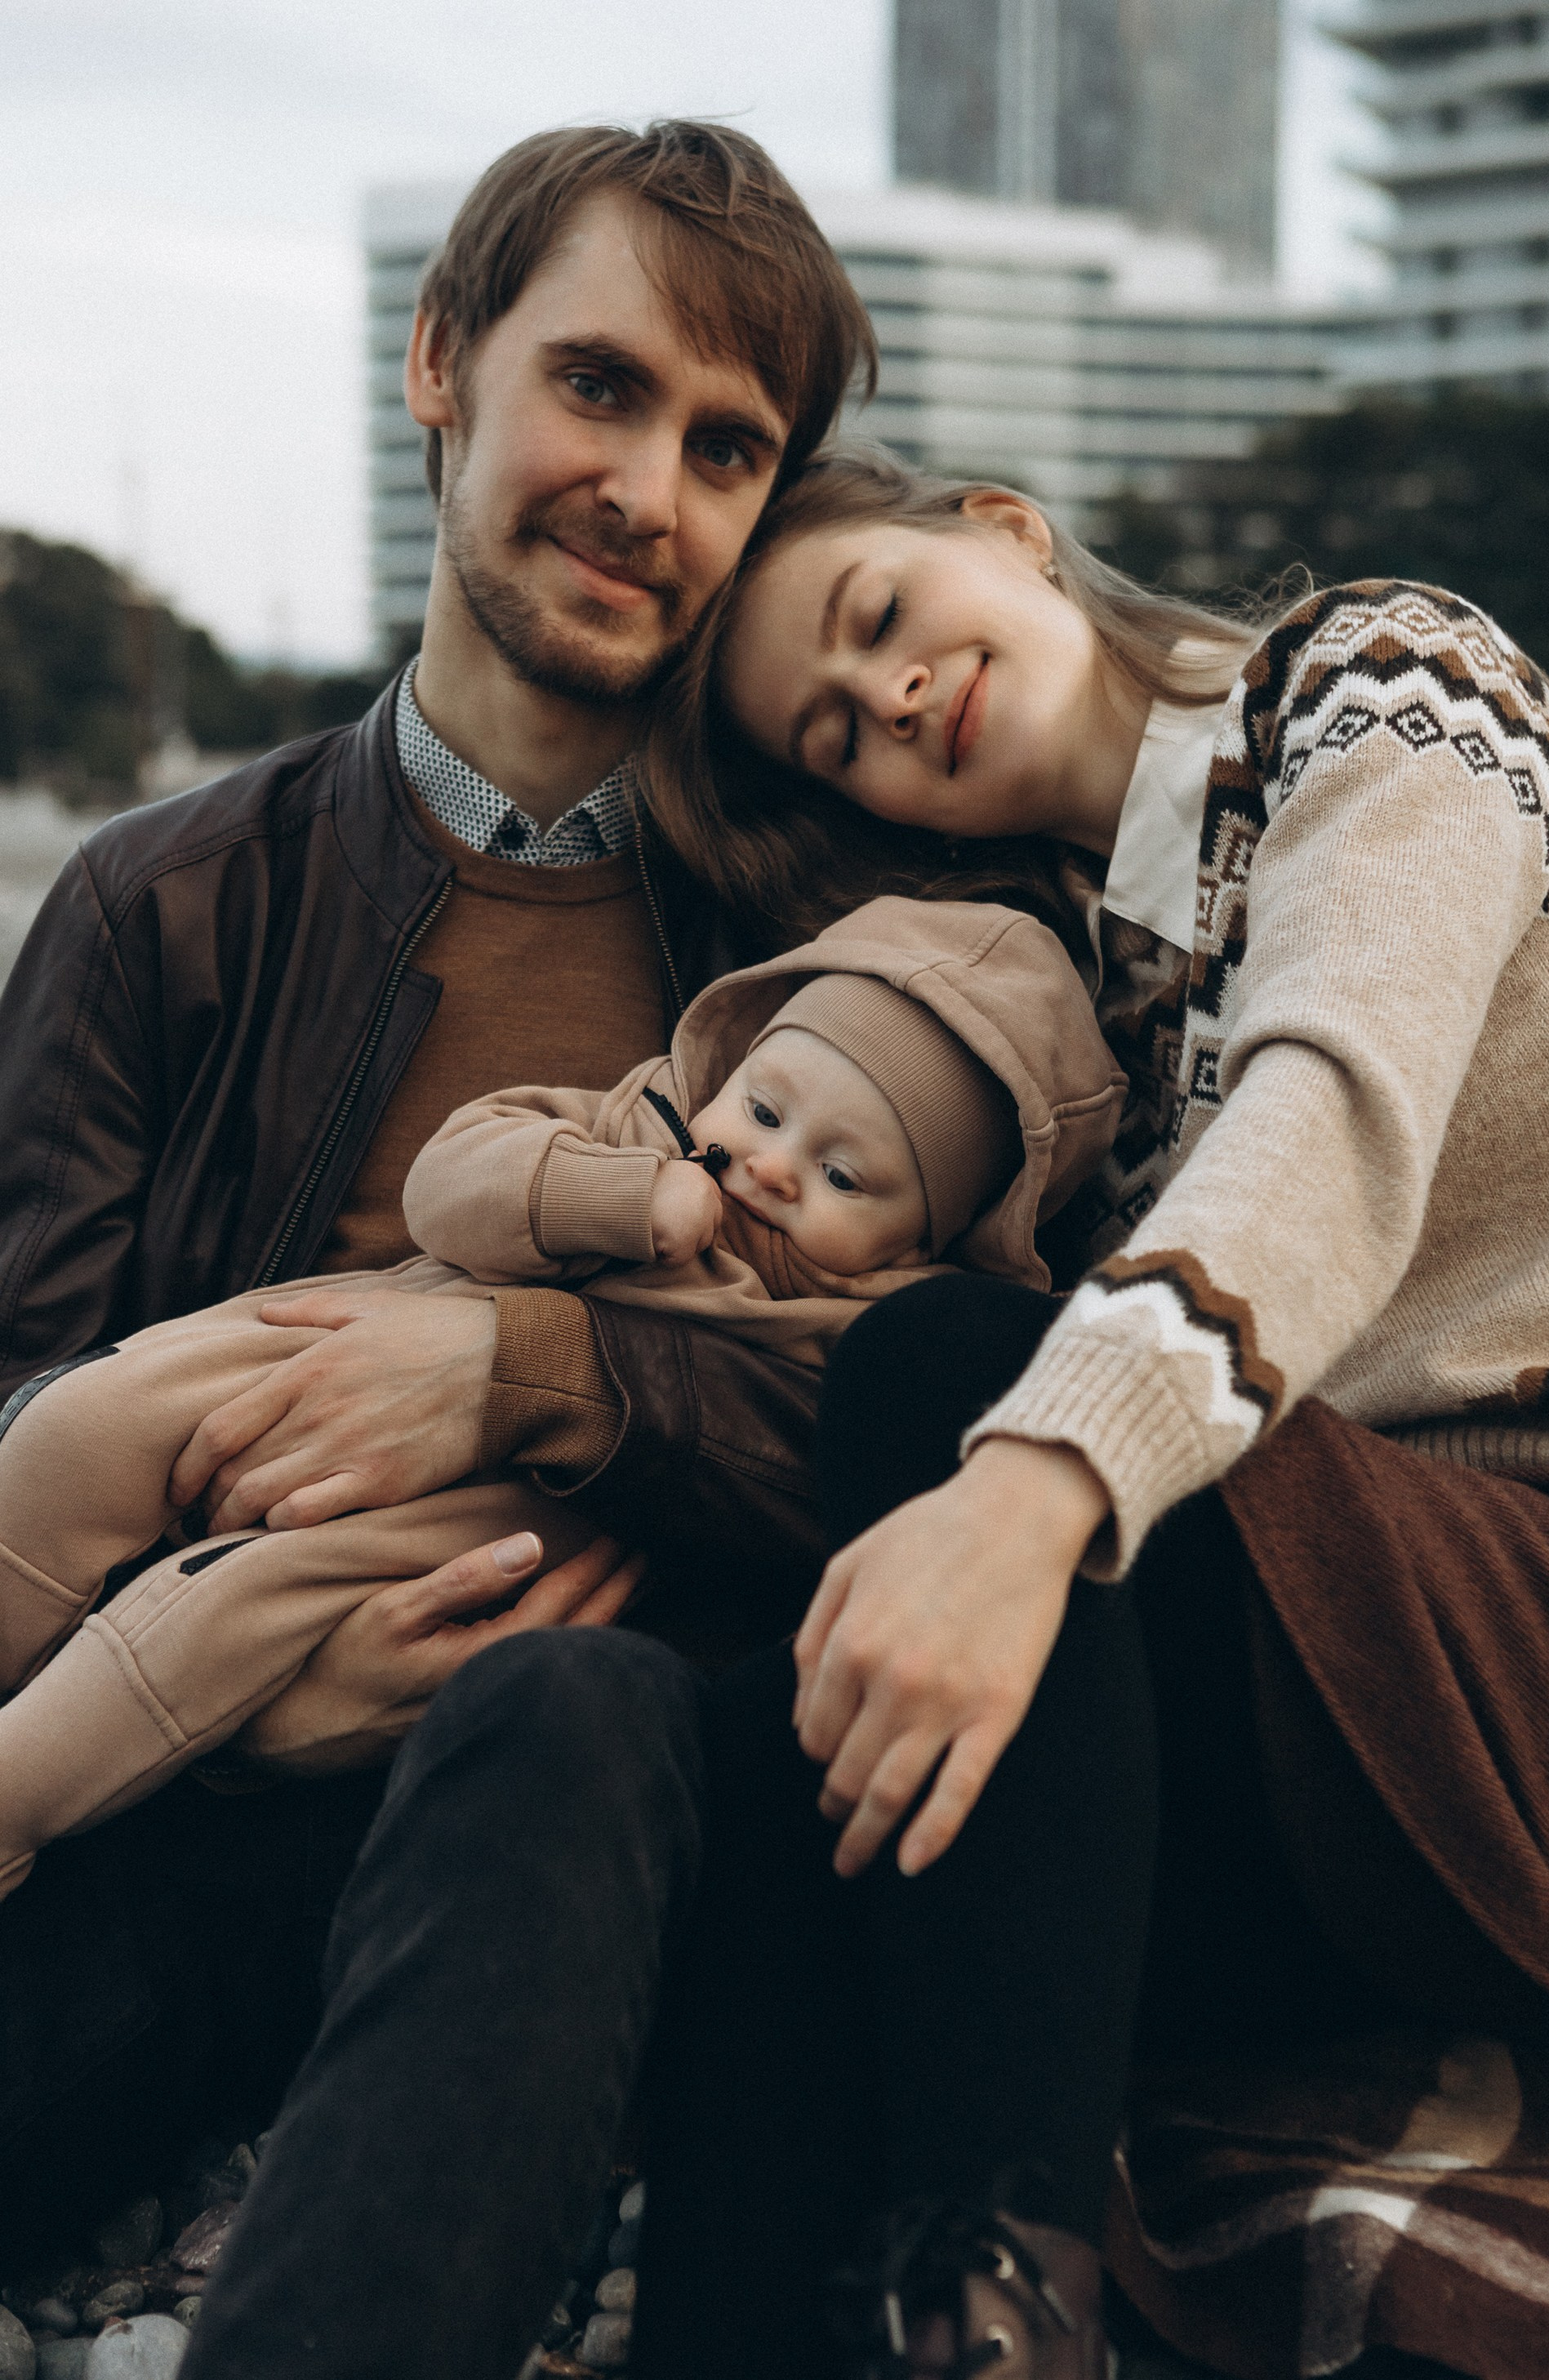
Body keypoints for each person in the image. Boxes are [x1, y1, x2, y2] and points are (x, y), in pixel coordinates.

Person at [610, 452, 1549, 2378]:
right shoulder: (1082, 1010)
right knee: (772, 1755)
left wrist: (1039, 1473)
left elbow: (1337, 1102)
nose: (887, 702)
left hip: (1538, 1602)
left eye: (878, 619)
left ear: (999, 525)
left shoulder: (1380, 685)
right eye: (836, 736)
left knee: (942, 1375)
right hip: (1353, 1713)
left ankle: (1002, 2318)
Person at [0, 120, 876, 2258]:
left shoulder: (854, 953)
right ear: (440, 361)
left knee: (562, 1722)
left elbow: (939, 1405)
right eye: (598, 385)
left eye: (726, 445)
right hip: (166, 1816)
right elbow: (30, 1425)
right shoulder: (152, 907)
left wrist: (541, 1366)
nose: (646, 492)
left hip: (607, 1811)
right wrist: (235, 1701)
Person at [0, 897, 1121, 1889]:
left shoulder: (874, 1324)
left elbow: (792, 1461)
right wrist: (620, 1198)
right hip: (347, 1344)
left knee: (223, 1608)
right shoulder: (639, 1124)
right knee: (84, 1425)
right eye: (767, 1110)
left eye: (845, 1175)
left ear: (924, 1237)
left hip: (513, 1512)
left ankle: (16, 1800)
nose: (772, 1168)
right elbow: (451, 1181)